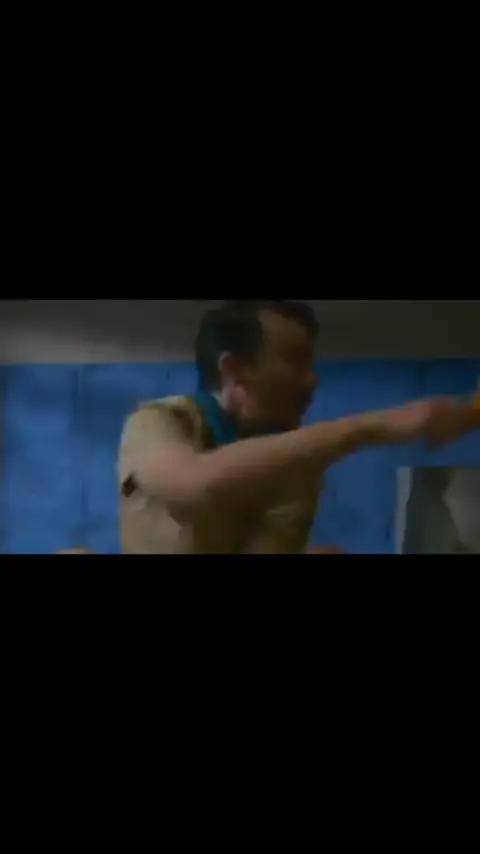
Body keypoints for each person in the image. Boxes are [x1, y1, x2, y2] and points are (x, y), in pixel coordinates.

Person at [118, 300, 480, 555]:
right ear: (235, 370)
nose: (313, 381)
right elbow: (194, 484)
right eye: (295, 361)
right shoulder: (161, 421)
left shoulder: (297, 470)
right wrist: (373, 427)